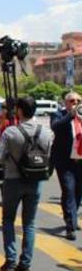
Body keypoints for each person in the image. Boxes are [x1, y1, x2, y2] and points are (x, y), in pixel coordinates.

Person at [0, 97, 52, 271]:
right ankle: (25, 263)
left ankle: (10, 260)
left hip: (13, 179)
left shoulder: (11, 132)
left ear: (18, 111)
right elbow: (47, 155)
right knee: (30, 223)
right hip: (36, 181)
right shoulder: (47, 132)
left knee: (8, 220)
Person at [50, 91, 82, 240]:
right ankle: (70, 226)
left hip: (80, 161)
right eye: (72, 101)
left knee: (78, 193)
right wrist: (71, 115)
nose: (75, 103)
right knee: (68, 190)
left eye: (78, 100)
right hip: (65, 161)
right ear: (66, 102)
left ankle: (73, 216)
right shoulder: (59, 114)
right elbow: (55, 127)